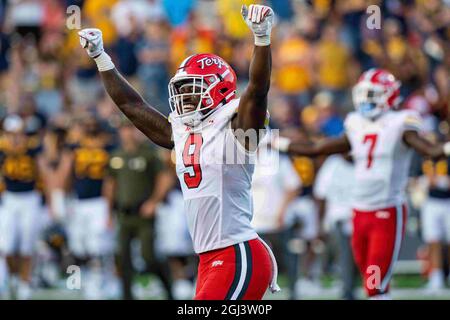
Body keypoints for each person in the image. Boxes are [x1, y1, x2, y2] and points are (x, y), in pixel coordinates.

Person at [78, 4, 279, 300]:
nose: (184, 97)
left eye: (192, 89)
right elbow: (132, 107)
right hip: (209, 258)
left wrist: (261, 38)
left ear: (220, 89)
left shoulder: (236, 124)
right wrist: (101, 57)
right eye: (182, 89)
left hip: (237, 252)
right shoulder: (183, 131)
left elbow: (258, 89)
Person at [272, 68, 450, 299]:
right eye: (364, 94)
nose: (367, 100)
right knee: (371, 282)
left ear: (388, 95)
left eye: (373, 94)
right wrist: (278, 143)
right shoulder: (355, 123)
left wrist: (446, 148)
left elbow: (430, 150)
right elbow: (318, 149)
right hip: (359, 211)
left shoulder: (400, 123)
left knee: (374, 285)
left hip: (386, 210)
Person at [103, 119, 173, 300]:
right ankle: (127, 296)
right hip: (124, 214)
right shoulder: (116, 155)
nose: (127, 133)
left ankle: (169, 288)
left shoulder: (149, 154)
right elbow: (110, 185)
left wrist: (154, 201)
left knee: (148, 256)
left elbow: (165, 178)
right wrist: (108, 213)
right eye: (124, 129)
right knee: (123, 259)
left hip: (143, 215)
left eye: (130, 129)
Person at [59, 116, 116, 299]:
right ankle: (77, 281)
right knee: (78, 246)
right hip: (79, 201)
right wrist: (65, 198)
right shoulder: (74, 148)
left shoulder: (108, 148)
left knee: (98, 247)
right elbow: (67, 175)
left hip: (98, 202)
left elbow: (110, 180)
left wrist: (109, 208)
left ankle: (101, 282)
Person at [0, 115, 43, 299]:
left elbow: (43, 170)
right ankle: (13, 278)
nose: (15, 138)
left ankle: (25, 282)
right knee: (7, 246)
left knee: (27, 246)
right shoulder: (2, 151)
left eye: (18, 134)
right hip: (9, 199)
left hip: (30, 198)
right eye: (11, 134)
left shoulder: (33, 149)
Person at [313, 153, 358, 300]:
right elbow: (321, 195)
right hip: (337, 218)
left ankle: (352, 288)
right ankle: (346, 290)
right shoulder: (333, 164)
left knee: (358, 259)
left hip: (360, 218)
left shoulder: (364, 162)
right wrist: (319, 224)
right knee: (344, 256)